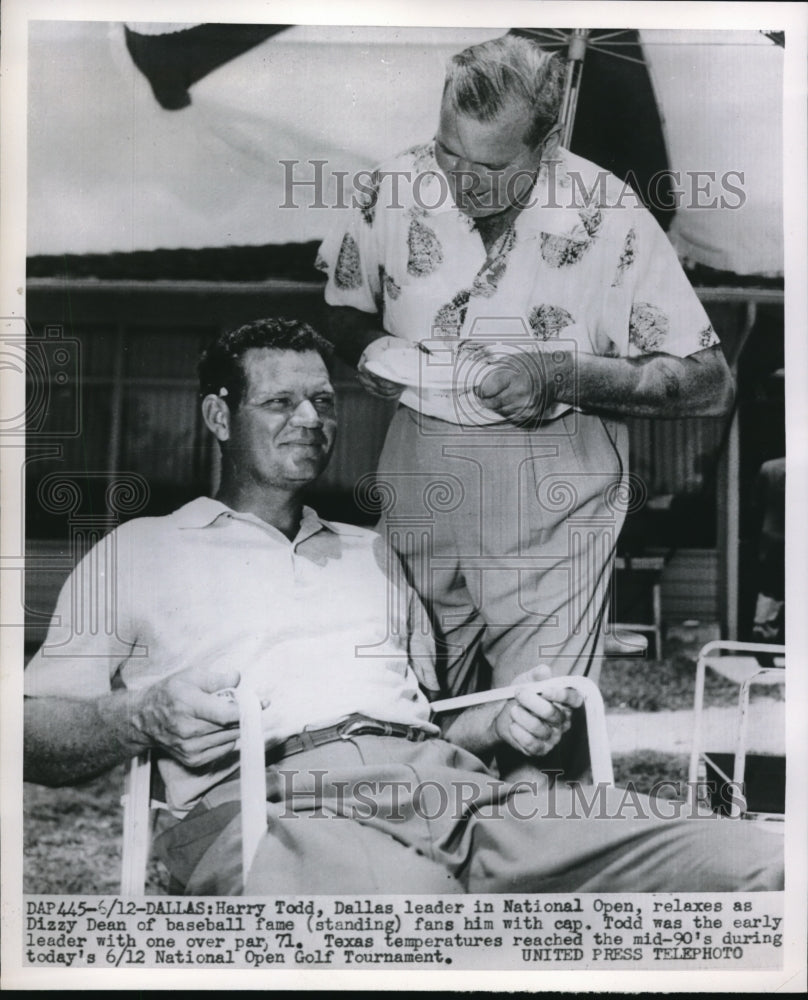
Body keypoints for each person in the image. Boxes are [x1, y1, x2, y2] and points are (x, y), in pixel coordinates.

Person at [24, 318, 779, 896]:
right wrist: (140, 715)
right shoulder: (141, 550)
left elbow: (431, 714)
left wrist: (503, 719)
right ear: (219, 418)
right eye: (280, 402)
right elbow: (32, 729)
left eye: (323, 401)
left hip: (452, 791)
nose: (312, 420)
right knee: (415, 915)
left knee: (750, 864)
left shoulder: (372, 552)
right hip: (274, 805)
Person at [317, 34, 734, 777]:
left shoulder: (608, 215)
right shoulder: (392, 187)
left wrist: (568, 376)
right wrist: (374, 353)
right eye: (449, 152)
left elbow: (708, 381)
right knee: (401, 724)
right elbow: (343, 312)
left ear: (546, 146)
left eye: (491, 166)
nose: (460, 181)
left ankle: (527, 866)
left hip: (554, 503)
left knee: (534, 735)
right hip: (419, 484)